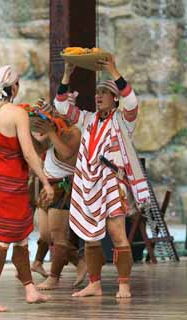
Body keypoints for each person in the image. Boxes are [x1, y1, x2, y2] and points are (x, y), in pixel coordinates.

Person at [54, 56, 150, 298]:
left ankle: (124, 284)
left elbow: (132, 102)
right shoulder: (88, 119)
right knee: (90, 236)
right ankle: (94, 283)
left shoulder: (123, 120)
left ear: (114, 98)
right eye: (96, 93)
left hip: (112, 182)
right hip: (89, 183)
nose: (98, 97)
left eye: (103, 93)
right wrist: (66, 74)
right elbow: (62, 107)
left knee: (118, 234)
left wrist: (113, 70)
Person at [0, 65, 54, 312]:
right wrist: (45, 181)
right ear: (14, 87)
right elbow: (28, 153)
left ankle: (30, 289)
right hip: (9, 191)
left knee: (22, 239)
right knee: (3, 240)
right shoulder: (17, 114)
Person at [29, 107, 87, 290]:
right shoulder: (54, 130)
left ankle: (54, 277)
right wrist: (25, 131)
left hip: (63, 187)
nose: (56, 114)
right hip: (48, 186)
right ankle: (80, 262)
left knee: (58, 235)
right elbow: (39, 148)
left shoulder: (75, 132)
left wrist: (51, 131)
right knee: (46, 235)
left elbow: (66, 152)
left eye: (59, 111)